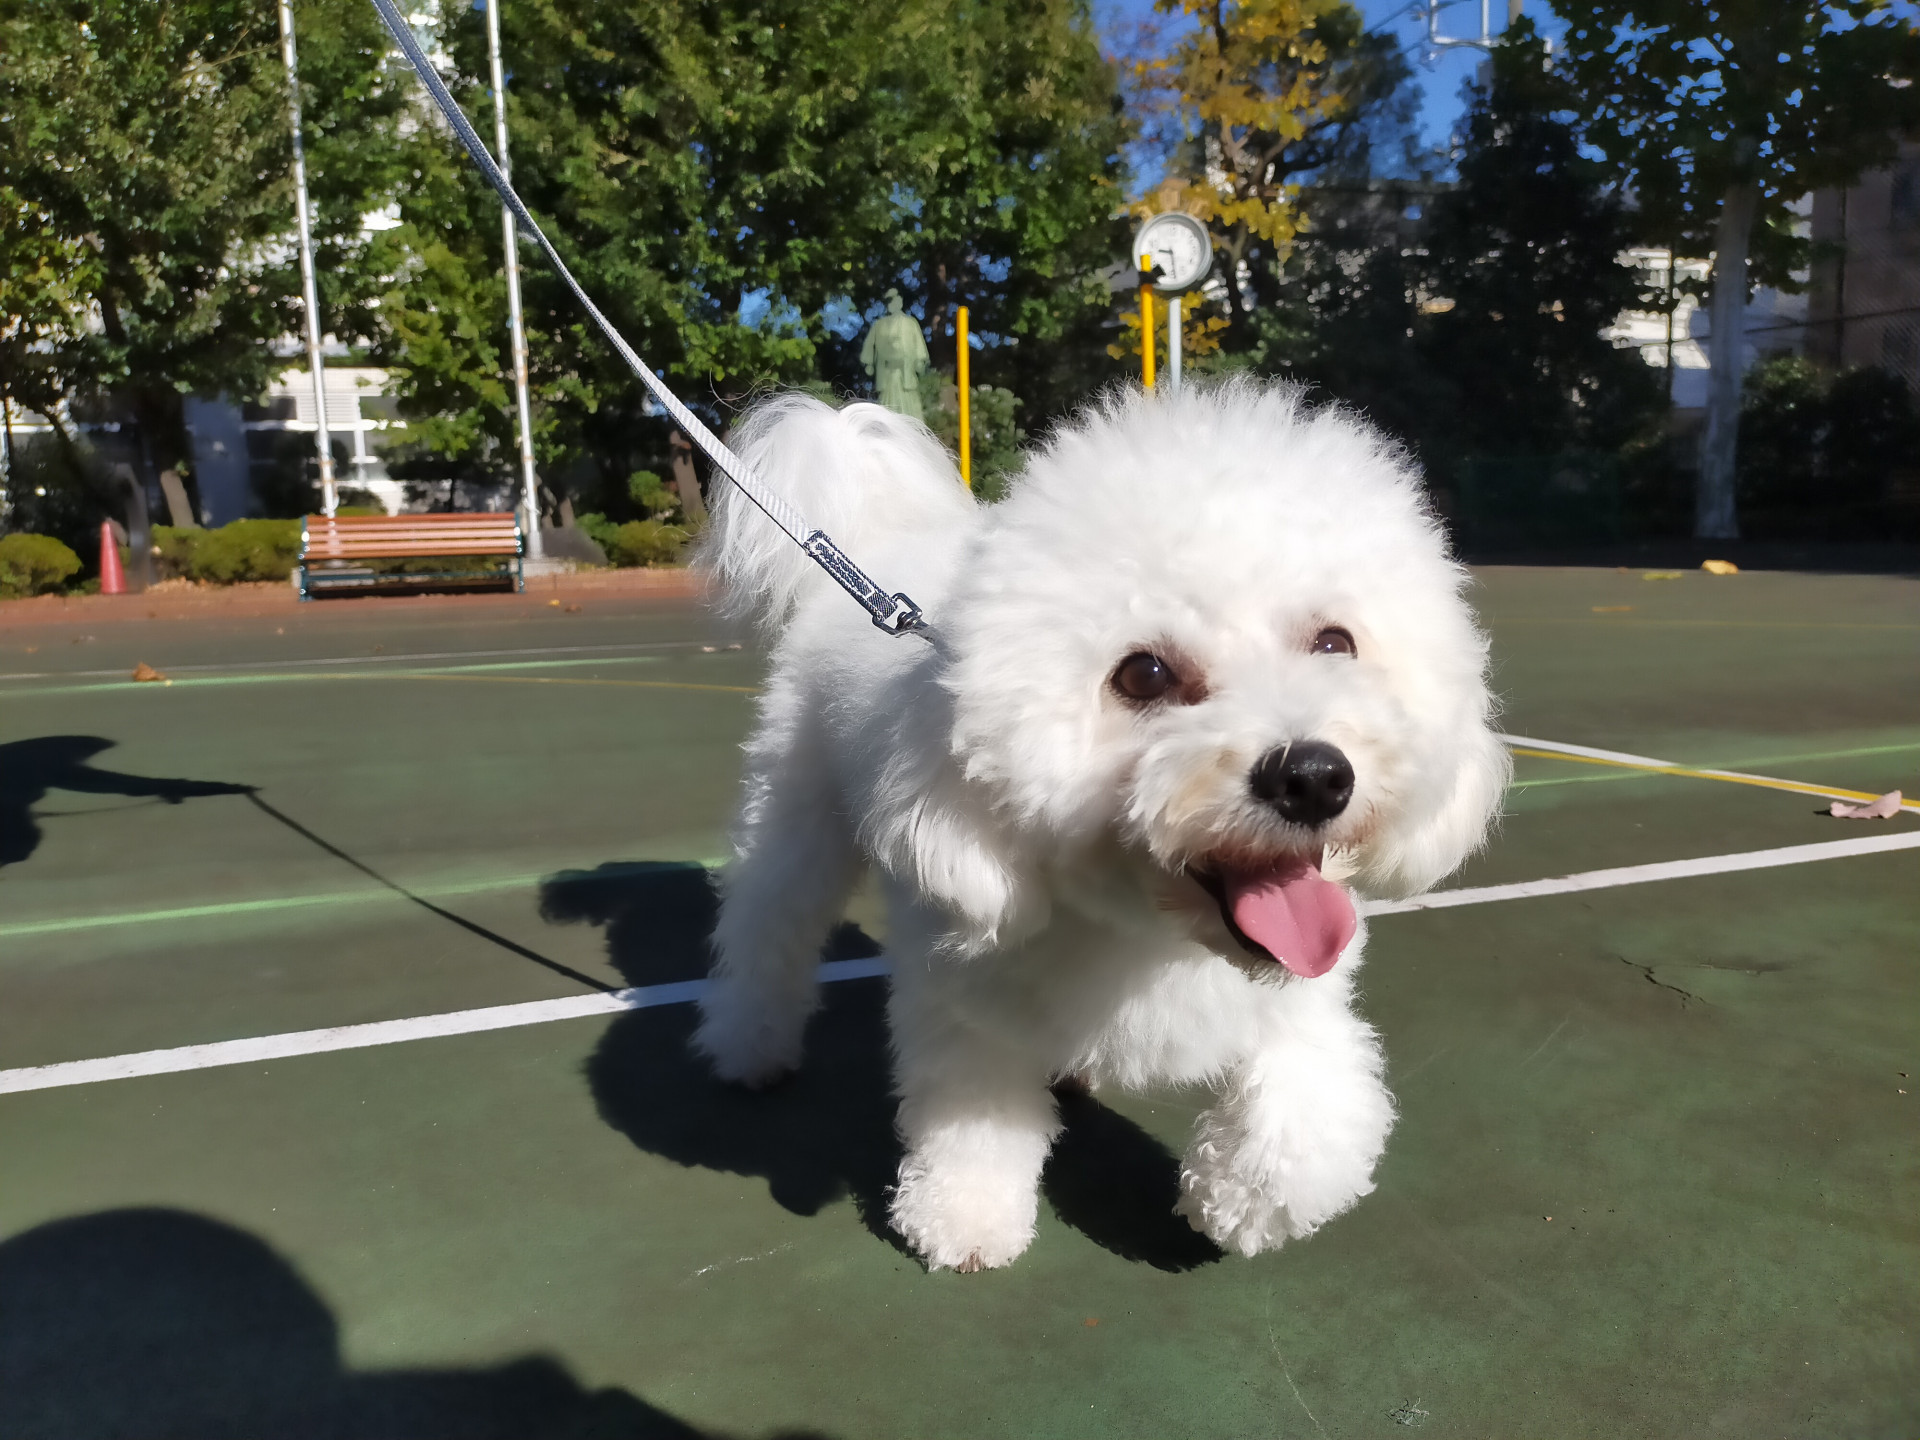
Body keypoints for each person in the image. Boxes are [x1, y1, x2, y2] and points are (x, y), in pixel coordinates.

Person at [858, 289, 930, 420]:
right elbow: (869, 344)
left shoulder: (910, 323)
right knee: (888, 408)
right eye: (889, 301)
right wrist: (869, 363)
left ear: (900, 301)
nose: (892, 304)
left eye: (895, 300)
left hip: (906, 373)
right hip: (887, 373)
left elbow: (918, 344)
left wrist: (920, 360)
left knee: (911, 409)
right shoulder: (879, 325)